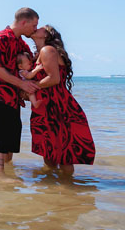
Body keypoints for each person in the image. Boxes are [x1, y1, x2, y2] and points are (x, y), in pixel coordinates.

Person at [28, 25, 95, 176]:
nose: (36, 28)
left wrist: (31, 87)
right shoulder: (39, 53)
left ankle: (67, 190)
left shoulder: (48, 50)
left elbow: (54, 79)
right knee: (50, 154)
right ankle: (54, 192)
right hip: (47, 107)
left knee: (64, 156)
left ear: (46, 35)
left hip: (58, 106)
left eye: (40, 28)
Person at [0, 7, 40, 174]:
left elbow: (32, 65)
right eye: (34, 25)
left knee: (11, 142)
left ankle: (8, 178)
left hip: (13, 97)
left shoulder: (21, 43)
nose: (35, 29)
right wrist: (22, 85)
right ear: (23, 22)